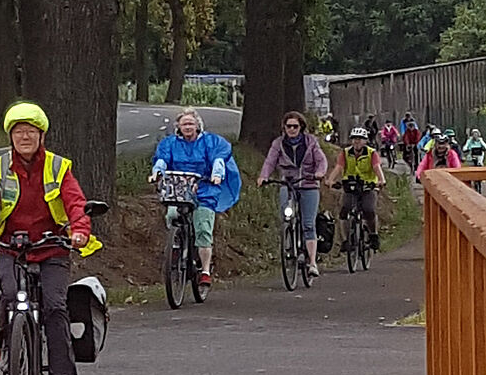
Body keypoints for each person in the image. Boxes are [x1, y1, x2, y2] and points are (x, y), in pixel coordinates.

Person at [0, 101, 97, 375]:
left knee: (54, 306)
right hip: (12, 246)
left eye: (30, 131)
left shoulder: (57, 167)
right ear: (11, 137)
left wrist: (79, 231)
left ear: (41, 136)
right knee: (9, 297)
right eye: (18, 132)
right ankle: (10, 354)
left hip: (51, 248)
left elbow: (76, 202)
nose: (24, 137)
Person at [151, 109, 241, 287]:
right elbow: (162, 159)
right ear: (178, 126)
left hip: (204, 189)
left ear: (198, 125)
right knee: (171, 215)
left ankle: (205, 270)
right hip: (179, 188)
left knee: (203, 229)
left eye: (191, 123)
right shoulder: (170, 143)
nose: (188, 127)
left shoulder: (211, 142)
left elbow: (218, 159)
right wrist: (157, 173)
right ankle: (176, 247)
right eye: (184, 124)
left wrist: (217, 175)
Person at [257, 111, 329, 277]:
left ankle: (312, 262)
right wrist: (263, 176)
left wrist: (320, 172)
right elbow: (270, 161)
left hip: (309, 184)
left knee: (308, 224)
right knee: (286, 217)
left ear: (301, 127)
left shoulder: (311, 142)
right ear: (284, 127)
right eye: (288, 126)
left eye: (295, 126)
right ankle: (289, 244)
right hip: (288, 184)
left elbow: (321, 160)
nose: (291, 129)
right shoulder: (278, 143)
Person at [326, 126, 385, 251]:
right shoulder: (345, 153)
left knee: (368, 209)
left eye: (360, 139)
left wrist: (381, 180)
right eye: (354, 139)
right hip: (350, 185)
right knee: (344, 211)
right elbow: (338, 168)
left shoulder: (371, 153)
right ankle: (346, 240)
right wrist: (330, 180)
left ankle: (373, 235)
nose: (357, 142)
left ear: (365, 141)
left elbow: (377, 168)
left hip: (368, 186)